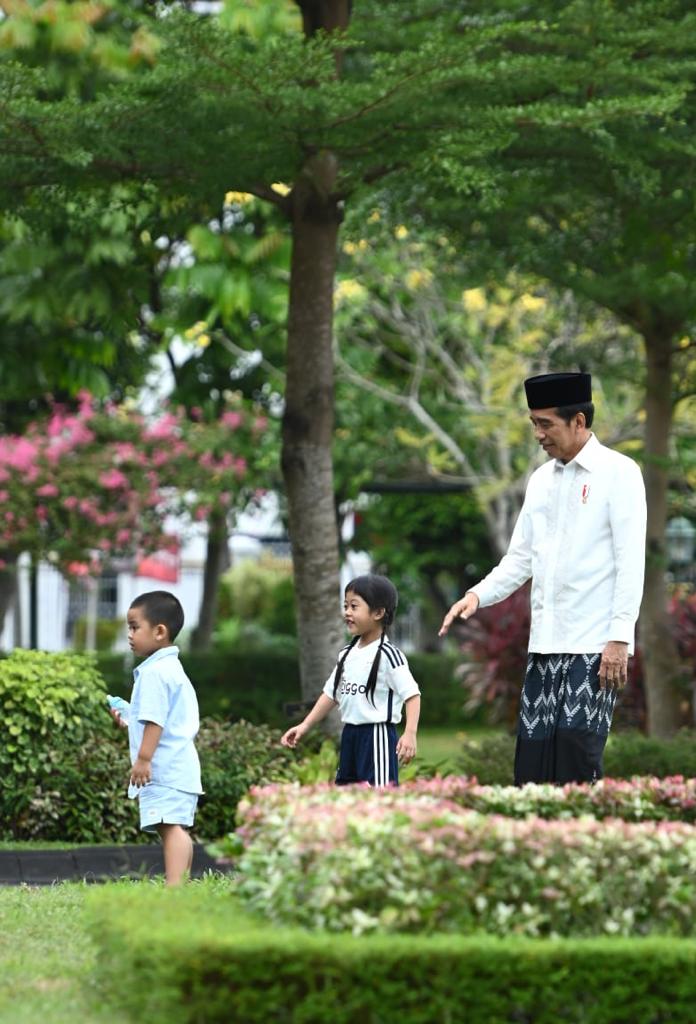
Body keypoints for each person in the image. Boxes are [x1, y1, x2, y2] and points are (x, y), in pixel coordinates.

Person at [439, 371, 647, 785]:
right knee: (532, 764)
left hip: (594, 648)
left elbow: (630, 561)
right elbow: (520, 559)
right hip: (544, 646)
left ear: (579, 422)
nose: (538, 434)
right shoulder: (540, 481)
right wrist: (477, 596)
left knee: (577, 756)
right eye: (534, 423)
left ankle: (585, 843)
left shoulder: (619, 473)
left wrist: (619, 638)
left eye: (545, 424)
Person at [281, 574, 421, 786]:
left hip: (377, 736)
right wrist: (305, 725)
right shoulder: (346, 653)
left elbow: (412, 695)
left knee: (380, 798)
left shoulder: (388, 654)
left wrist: (410, 734)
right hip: (350, 735)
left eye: (354, 606)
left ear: (378, 612)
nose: (347, 612)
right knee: (346, 794)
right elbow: (331, 694)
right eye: (345, 605)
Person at [109, 590, 202, 885]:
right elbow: (158, 721)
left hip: (163, 769)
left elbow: (155, 721)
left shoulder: (154, 673)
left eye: (135, 627)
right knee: (175, 828)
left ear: (160, 631)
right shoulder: (170, 668)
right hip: (179, 767)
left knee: (170, 828)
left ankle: (174, 889)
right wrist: (129, 724)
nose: (129, 634)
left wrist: (143, 759)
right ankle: (179, 886)